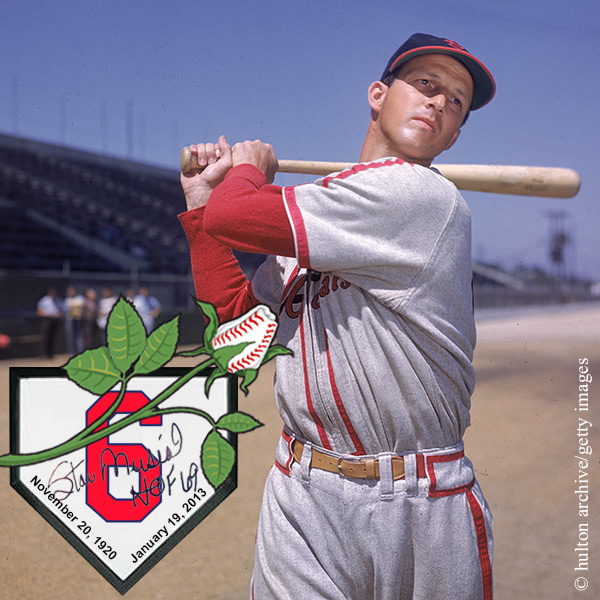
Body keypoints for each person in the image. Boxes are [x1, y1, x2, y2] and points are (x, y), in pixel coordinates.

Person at [178, 33, 496, 600]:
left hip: (420, 501)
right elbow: (234, 323)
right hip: (301, 493)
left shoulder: (422, 198)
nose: (440, 104)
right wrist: (202, 200)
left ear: (454, 132)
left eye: (456, 103)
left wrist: (249, 169)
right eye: (426, 85)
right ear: (379, 95)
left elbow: (239, 212)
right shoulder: (322, 213)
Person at [36, 287, 62, 359]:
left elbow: (60, 309)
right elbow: (39, 311)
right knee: (45, 337)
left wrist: (59, 314)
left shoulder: (58, 300)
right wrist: (47, 315)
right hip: (46, 320)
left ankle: (51, 354)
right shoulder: (45, 300)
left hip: (54, 320)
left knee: (52, 337)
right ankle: (44, 354)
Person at [62, 285, 85, 355]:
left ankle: (81, 352)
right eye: (69, 291)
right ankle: (72, 353)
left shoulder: (80, 298)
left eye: (72, 291)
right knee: (70, 337)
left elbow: (83, 306)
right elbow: (65, 310)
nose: (71, 292)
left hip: (79, 320)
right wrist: (74, 308)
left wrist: (73, 308)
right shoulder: (66, 300)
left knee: (80, 337)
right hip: (70, 320)